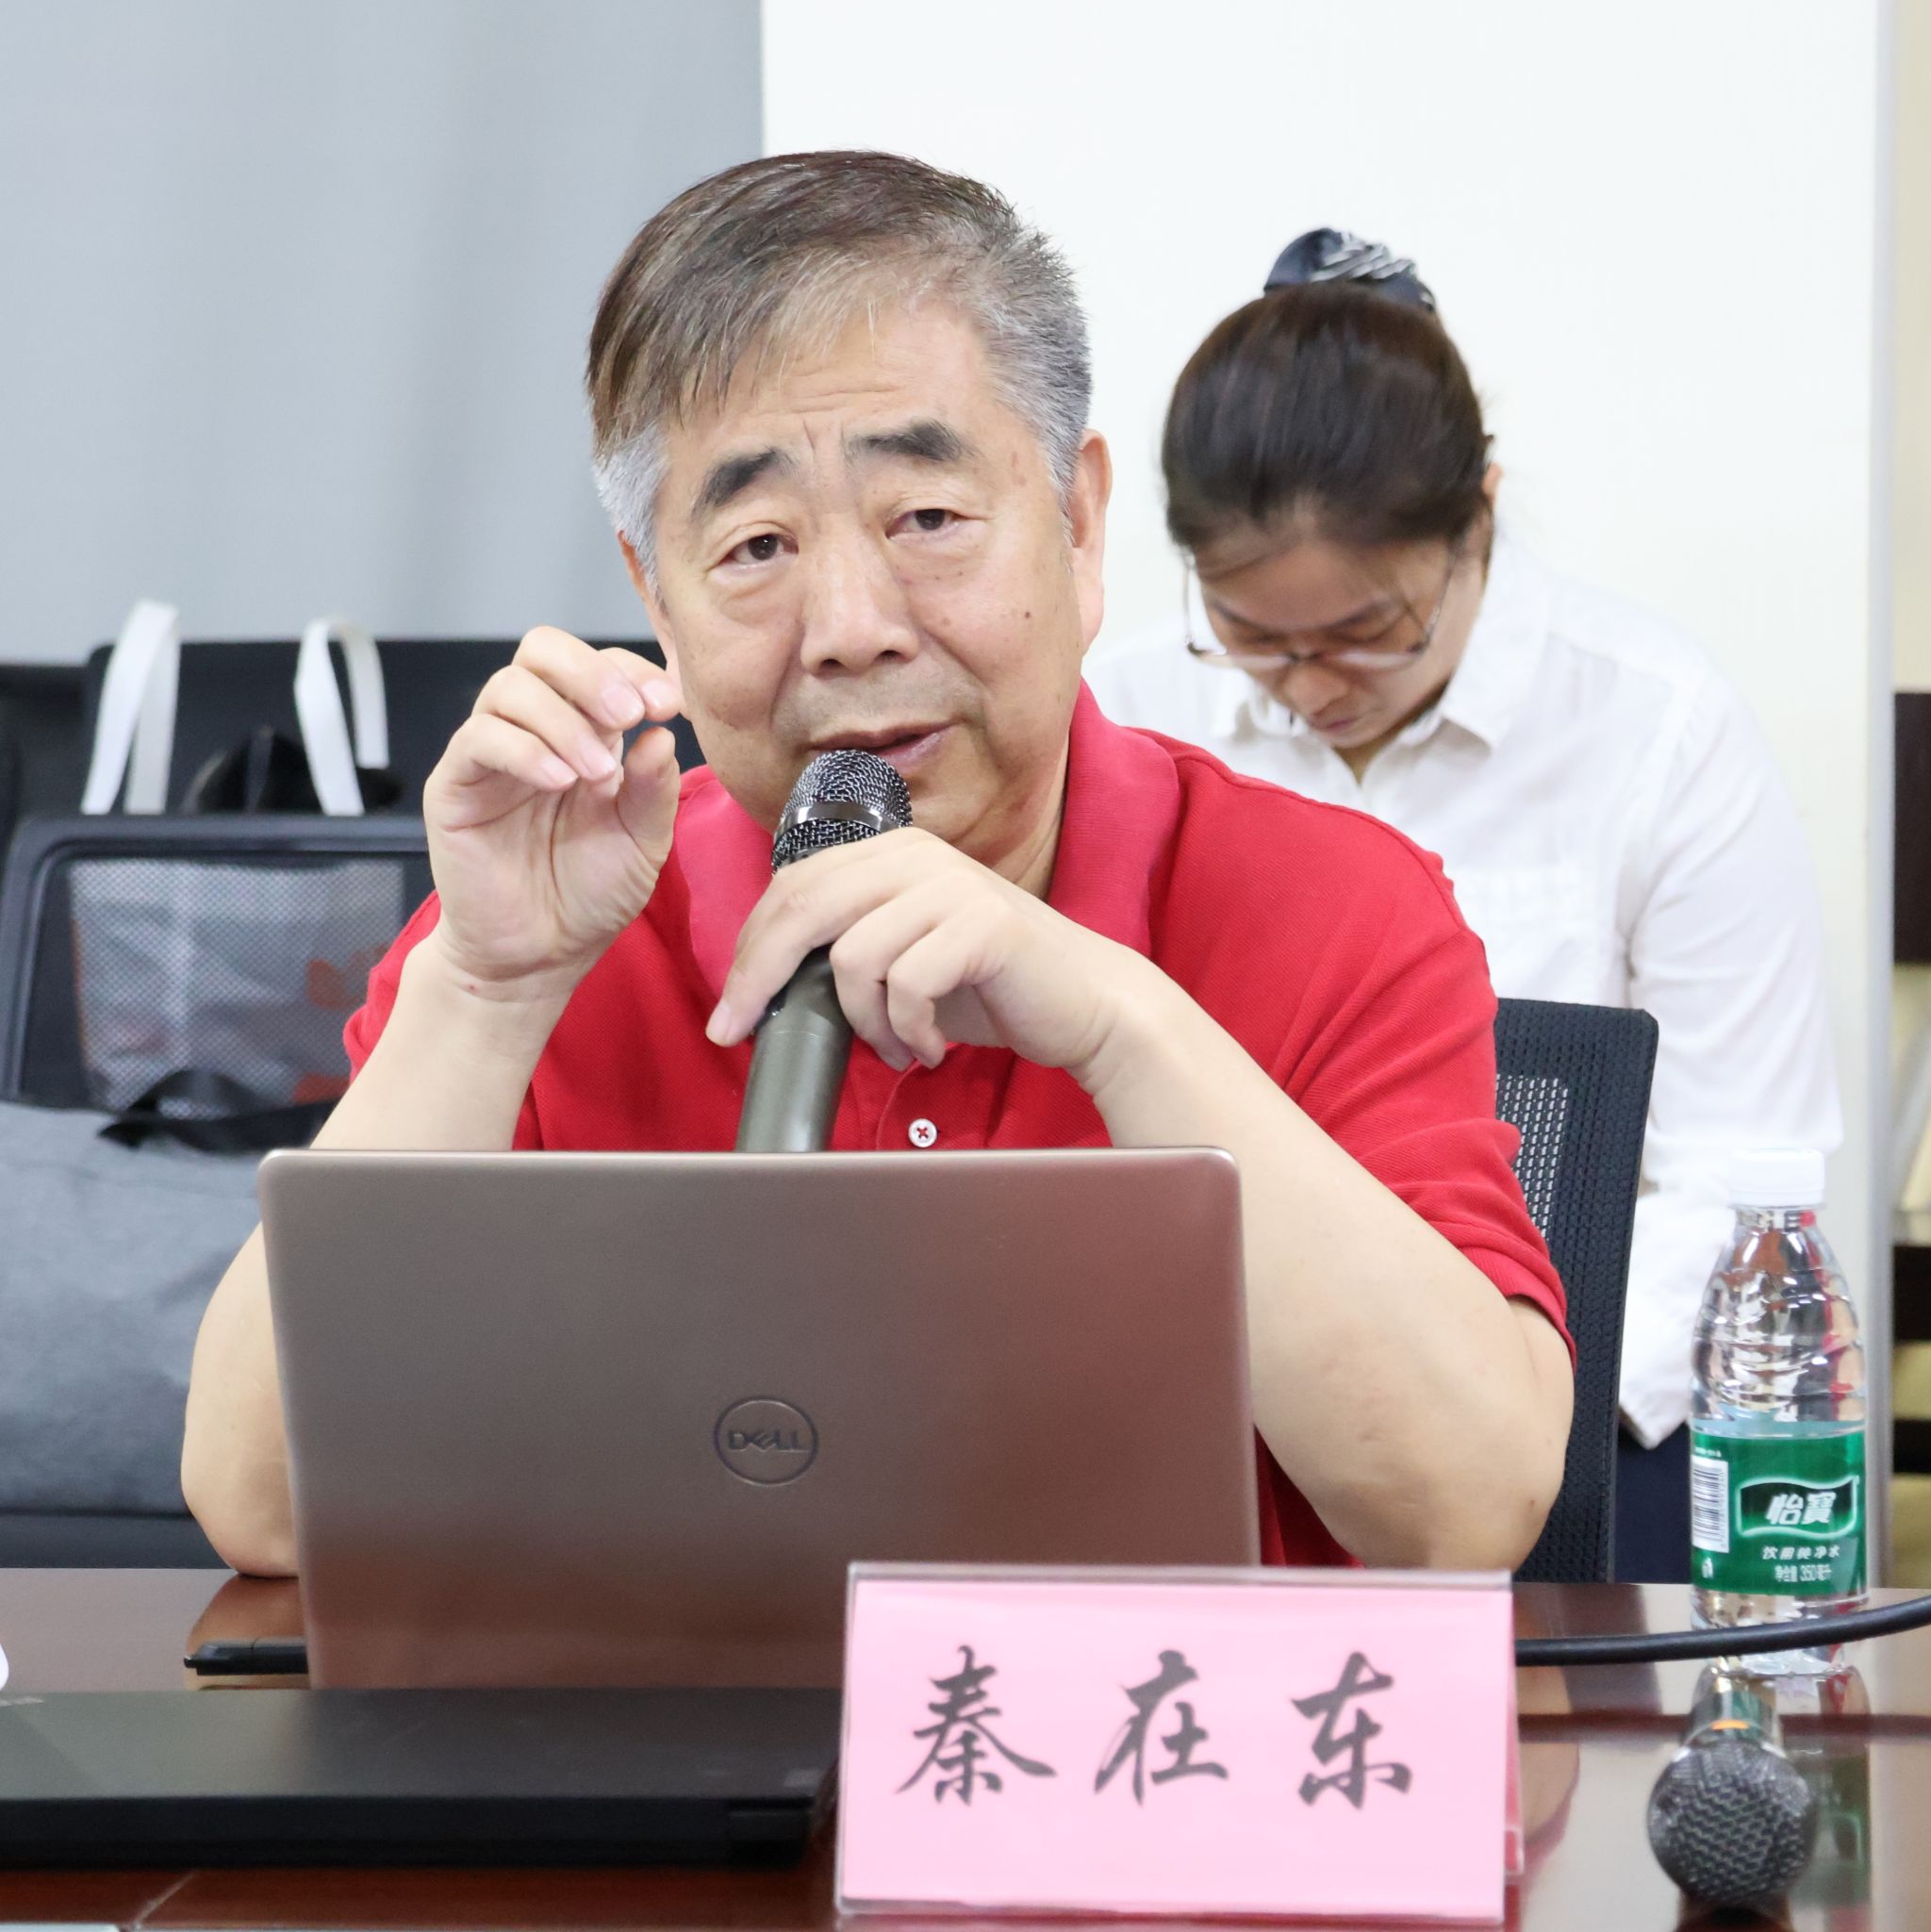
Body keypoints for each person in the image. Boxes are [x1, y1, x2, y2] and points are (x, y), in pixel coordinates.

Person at [181, 159, 1572, 1581]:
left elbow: (1462, 1512)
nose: (851, 627)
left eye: (927, 519)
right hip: (665, 1720)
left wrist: (1118, 1023)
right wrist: (484, 996)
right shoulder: (561, 911)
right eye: (757, 546)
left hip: (1159, 1721)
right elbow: (263, 1506)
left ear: (1078, 525)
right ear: (654, 593)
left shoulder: (1335, 903)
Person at [1086, 230, 1840, 1582]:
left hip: (1573, 1413)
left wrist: (1497, 1417)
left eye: (1368, 631)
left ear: (1478, 518)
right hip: (1202, 1401)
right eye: (1253, 637)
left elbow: (1741, 1167)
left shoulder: (1655, 730)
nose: (1311, 686)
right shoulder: (1130, 718)